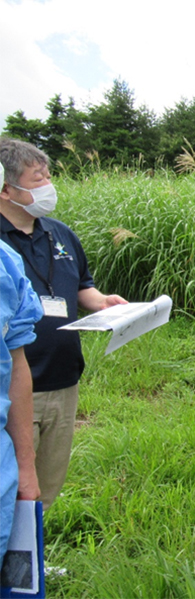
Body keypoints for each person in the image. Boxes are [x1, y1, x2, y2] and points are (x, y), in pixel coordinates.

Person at [0, 138, 127, 511]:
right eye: (37, 179)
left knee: (47, 485)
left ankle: (35, 561)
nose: (48, 186)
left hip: (64, 379)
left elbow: (81, 286)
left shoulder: (59, 234)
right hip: (16, 388)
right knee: (13, 488)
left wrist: (103, 302)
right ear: (7, 190)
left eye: (48, 175)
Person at [0, 160, 42, 561]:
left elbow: (14, 364)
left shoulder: (6, 264)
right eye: (37, 178)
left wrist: (25, 469)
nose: (48, 185)